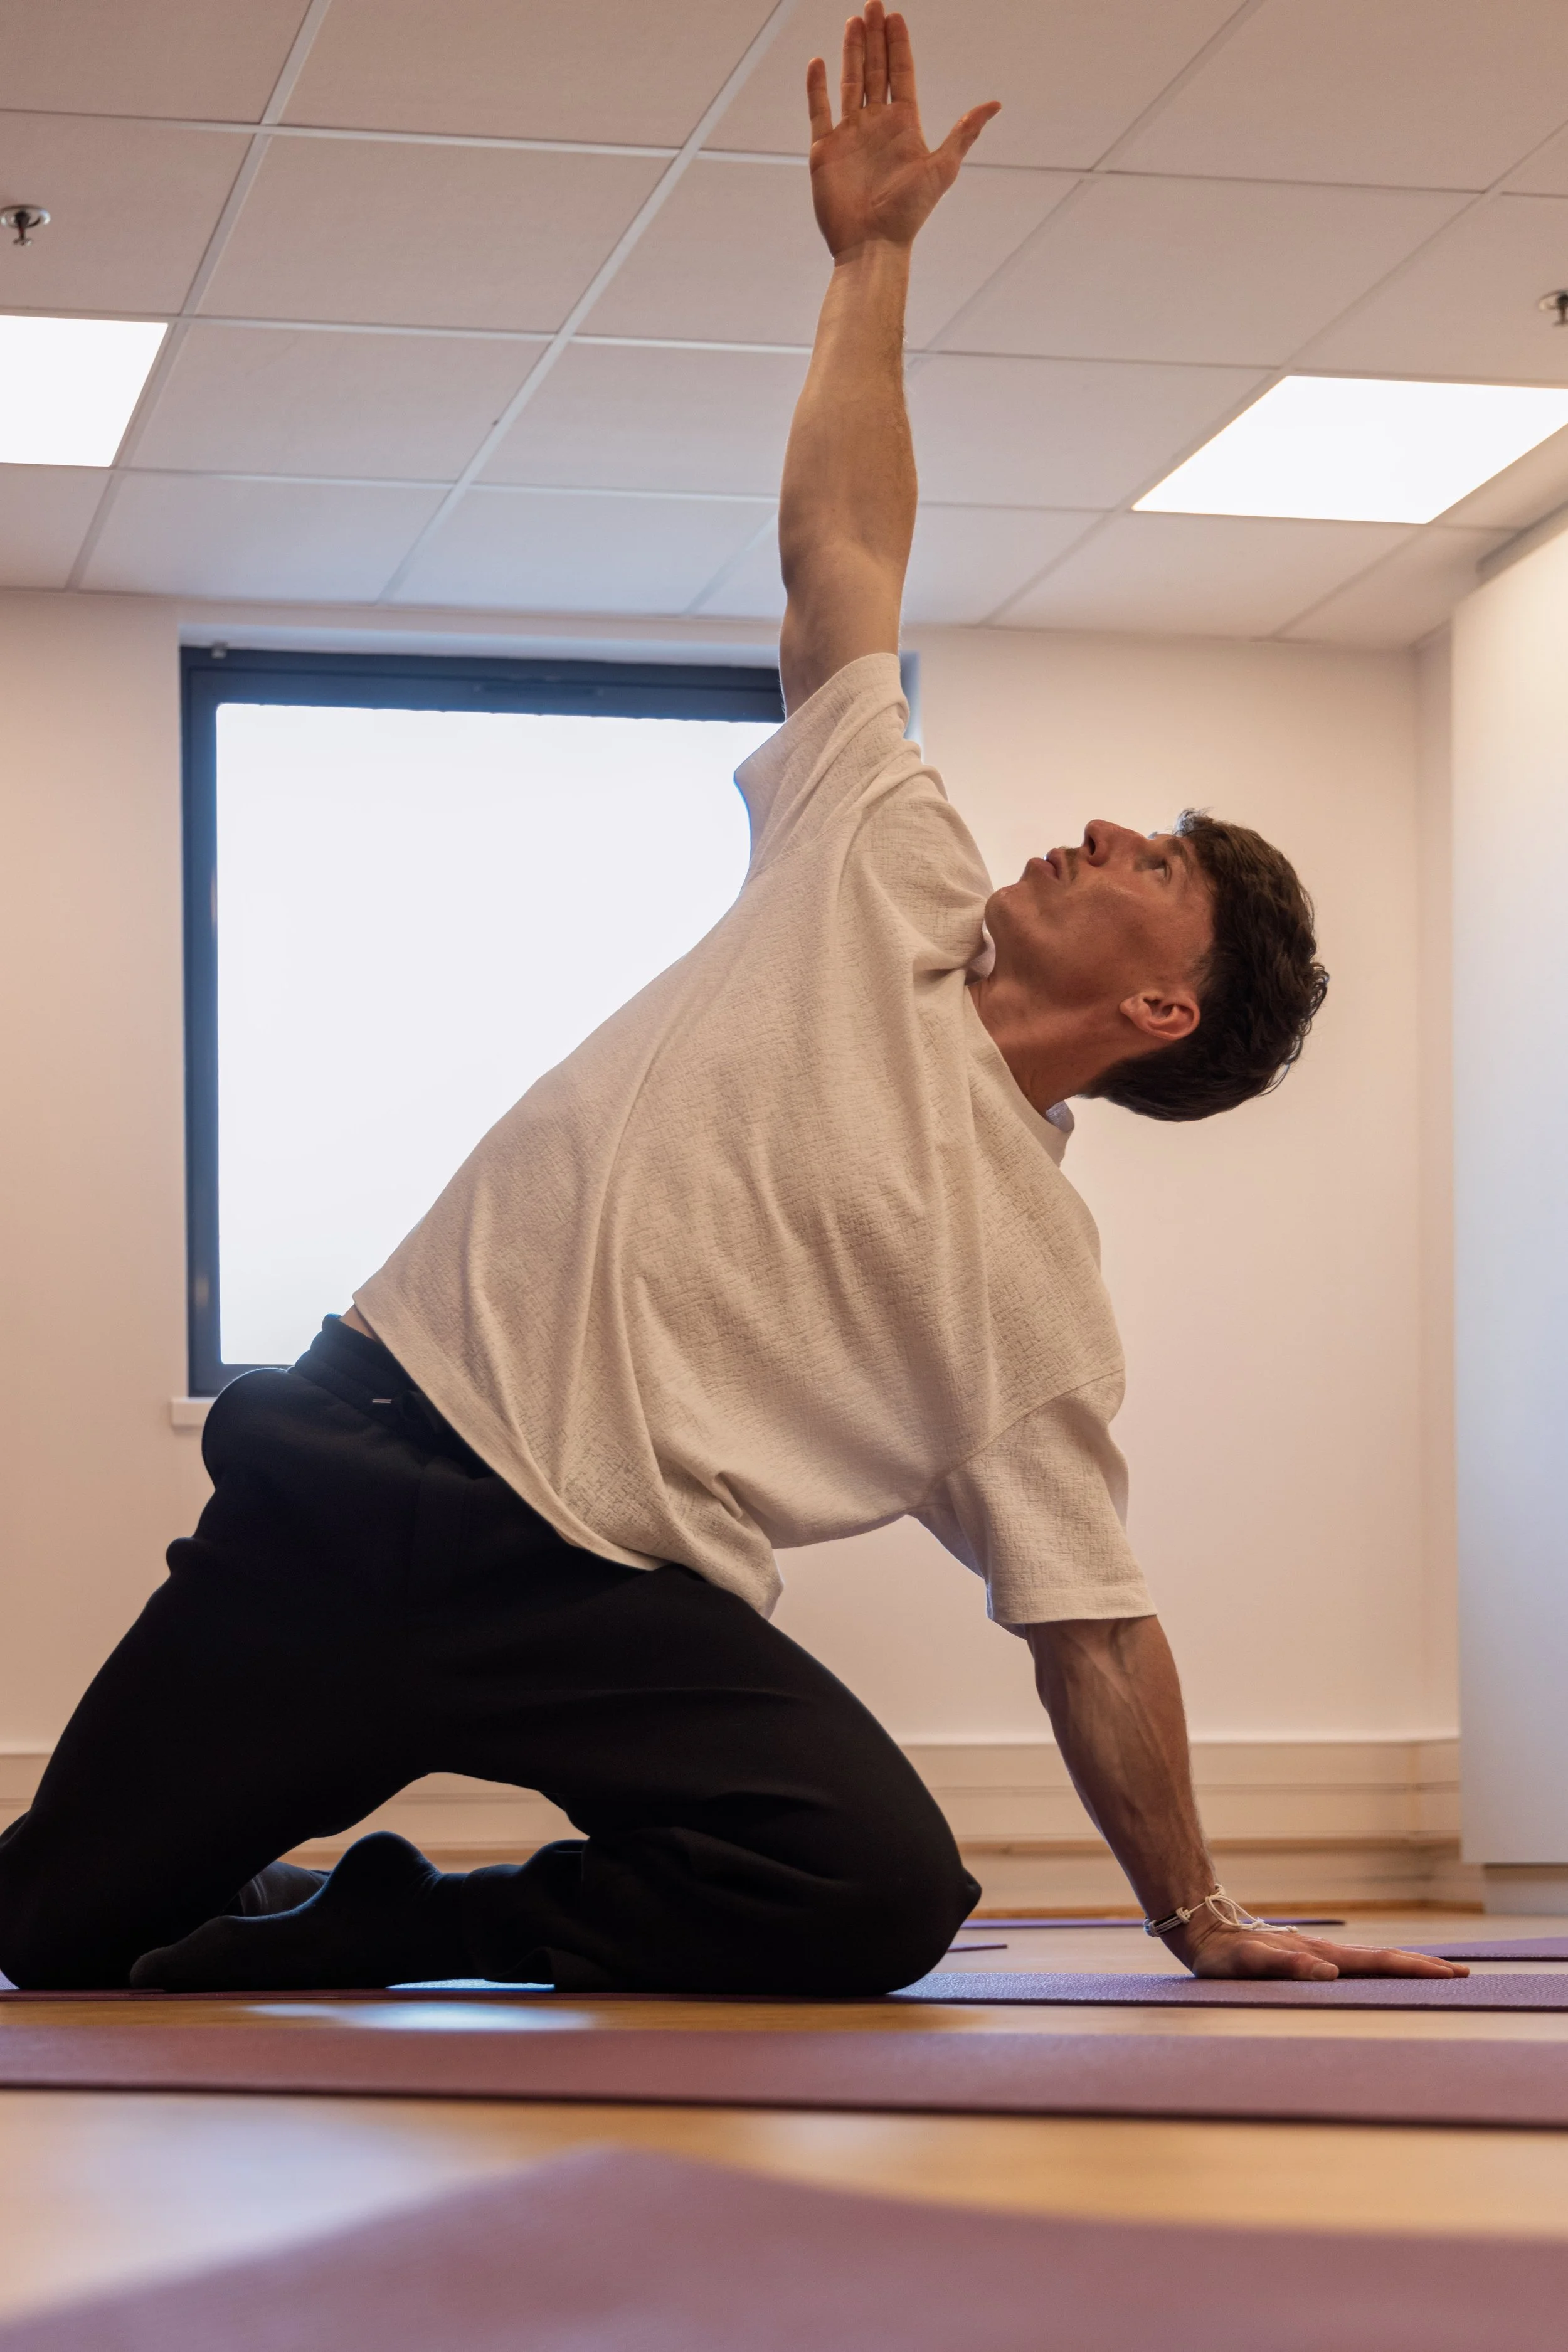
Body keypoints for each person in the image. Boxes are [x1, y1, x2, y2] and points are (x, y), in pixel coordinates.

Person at [0, 4, 1461, 1997]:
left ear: (1159, 1018)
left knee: (876, 1891)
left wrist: (1194, 1913)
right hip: (360, 1470)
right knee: (46, 1934)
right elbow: (842, 547)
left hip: (602, 1595)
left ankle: (397, 1923)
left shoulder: (1027, 1283)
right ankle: (223, 1887)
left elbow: (1094, 1622)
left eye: (1158, 869)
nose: (1105, 829)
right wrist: (873, 265)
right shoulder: (887, 865)